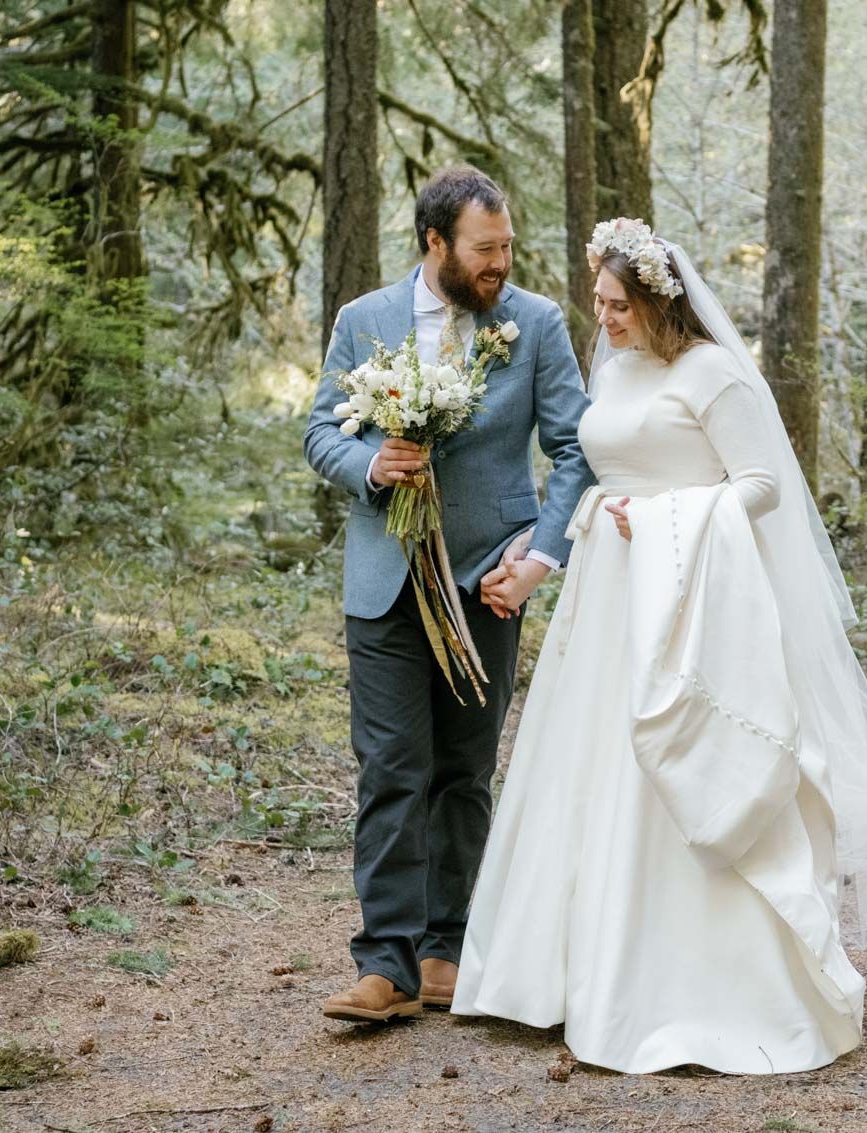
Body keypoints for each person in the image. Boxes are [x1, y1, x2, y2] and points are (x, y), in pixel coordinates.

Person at [452, 218, 867, 1073]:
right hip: (609, 594)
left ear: (657, 301)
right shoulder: (616, 371)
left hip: (686, 594)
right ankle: (559, 976)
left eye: (618, 305)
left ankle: (688, 984)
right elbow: (597, 463)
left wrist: (659, 520)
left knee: (662, 769)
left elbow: (761, 486)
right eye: (599, 302)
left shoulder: (714, 374)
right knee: (586, 766)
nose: (604, 318)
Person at [304, 166, 595, 1022]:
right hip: (387, 585)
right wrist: (370, 464)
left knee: (464, 772)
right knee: (392, 768)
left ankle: (447, 947)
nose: (501, 262)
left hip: (487, 581)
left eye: (507, 246)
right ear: (436, 243)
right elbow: (323, 428)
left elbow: (576, 448)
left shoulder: (535, 325)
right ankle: (383, 964)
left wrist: (539, 553)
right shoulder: (365, 320)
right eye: (486, 248)